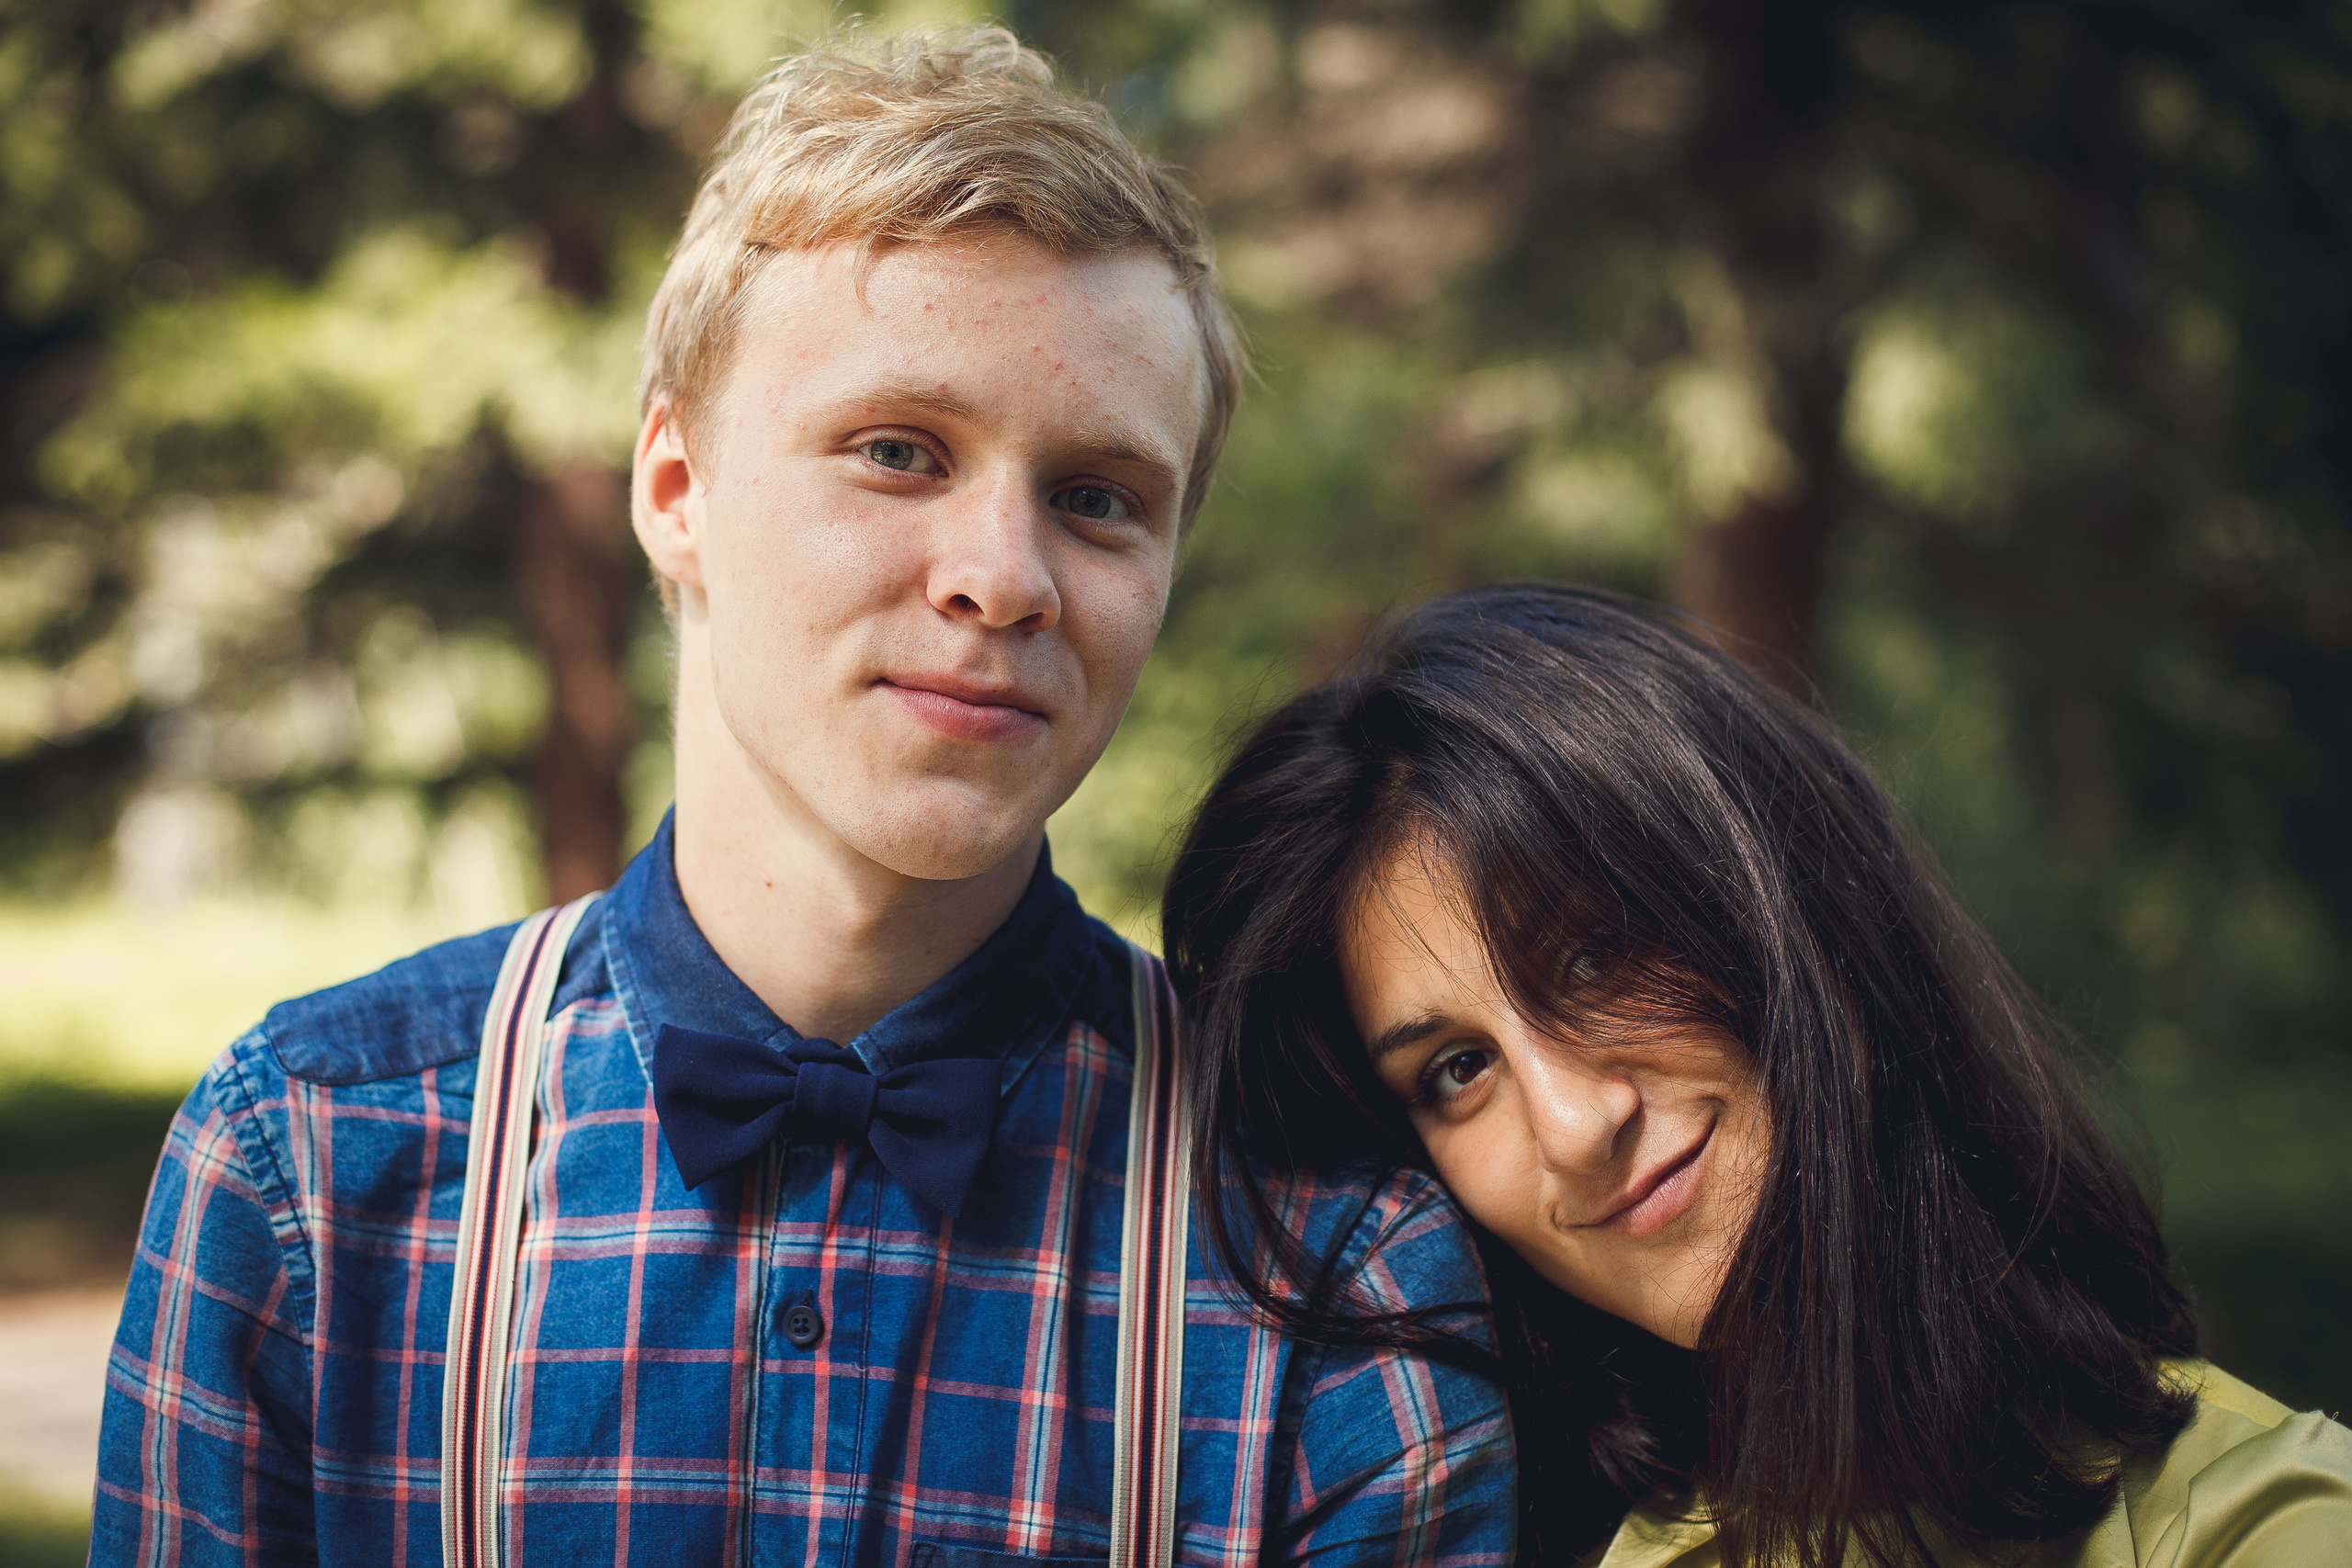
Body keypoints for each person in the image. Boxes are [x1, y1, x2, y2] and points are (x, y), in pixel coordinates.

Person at [91, 28, 1515, 1566]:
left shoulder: (1334, 1265)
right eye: (898, 452)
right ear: (675, 489)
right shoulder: (307, 1169)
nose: (1003, 579)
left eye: (1098, 498)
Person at [1161, 582, 2352, 1566]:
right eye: (1458, 1070)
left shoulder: (2273, 1526)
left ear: (1785, 899)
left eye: (1591, 956)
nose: (1574, 1126)